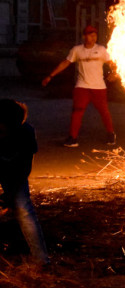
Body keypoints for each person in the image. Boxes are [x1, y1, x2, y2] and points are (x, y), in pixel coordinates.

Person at [41, 25, 119, 147]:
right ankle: (73, 138)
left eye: (95, 35)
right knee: (77, 112)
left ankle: (111, 134)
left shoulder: (101, 50)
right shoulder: (77, 50)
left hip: (99, 87)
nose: (93, 38)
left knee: (104, 112)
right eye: (90, 35)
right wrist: (50, 76)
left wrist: (115, 73)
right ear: (84, 36)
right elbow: (65, 63)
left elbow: (112, 63)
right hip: (82, 87)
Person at [0, 99, 50, 265]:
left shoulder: (25, 132)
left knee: (24, 209)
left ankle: (41, 260)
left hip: (14, 171)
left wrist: (9, 195)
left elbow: (24, 168)